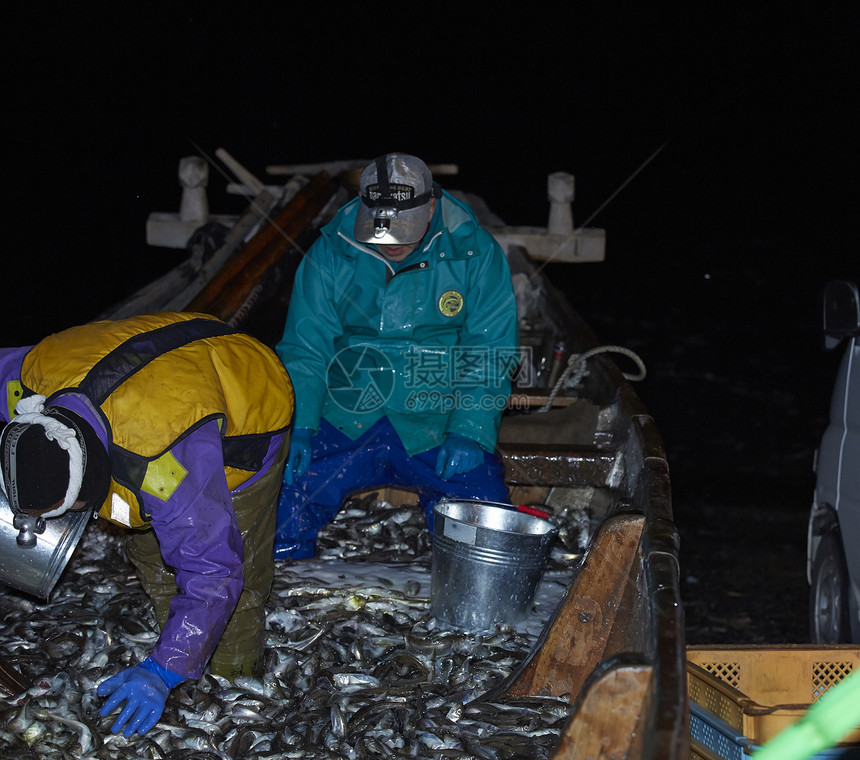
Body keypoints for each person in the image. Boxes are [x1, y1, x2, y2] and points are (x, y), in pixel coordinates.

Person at [0, 312, 294, 737]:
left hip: (251, 402)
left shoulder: (164, 468)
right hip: (151, 373)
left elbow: (214, 572)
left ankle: (235, 679)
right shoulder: (28, 380)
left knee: (234, 576)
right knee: (150, 551)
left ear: (98, 482)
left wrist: (161, 672)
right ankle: (185, 641)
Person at [274, 153, 519, 559]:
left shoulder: (477, 254)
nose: (391, 243)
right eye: (380, 228)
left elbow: (489, 351)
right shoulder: (330, 252)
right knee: (279, 508)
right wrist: (299, 426)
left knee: (487, 533)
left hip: (437, 416)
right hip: (347, 412)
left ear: (432, 206)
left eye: (403, 230)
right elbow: (306, 347)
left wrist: (470, 430)